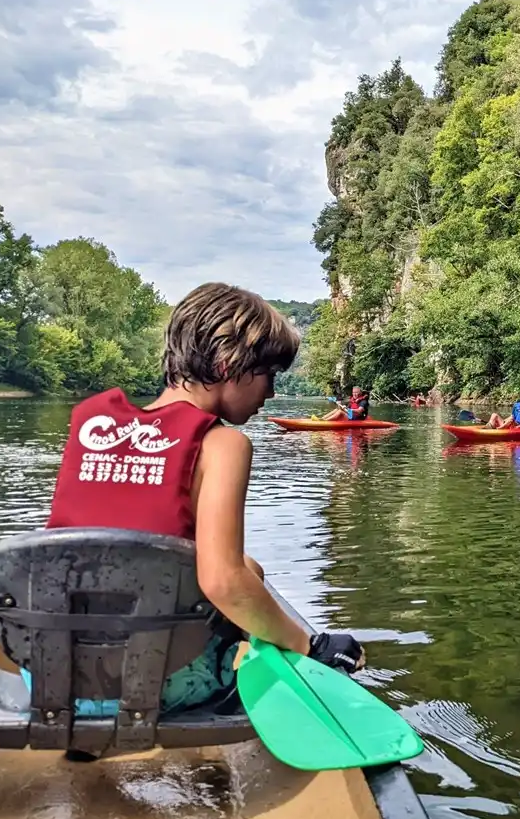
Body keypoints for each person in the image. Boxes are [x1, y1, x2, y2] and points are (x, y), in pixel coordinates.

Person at [41, 282, 365, 756]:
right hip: (152, 685)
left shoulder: (92, 426)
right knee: (242, 582)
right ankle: (206, 757)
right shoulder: (224, 444)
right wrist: (309, 645)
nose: (272, 393)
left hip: (52, 675)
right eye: (268, 374)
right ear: (227, 366)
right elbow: (223, 581)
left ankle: (87, 745)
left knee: (247, 568)